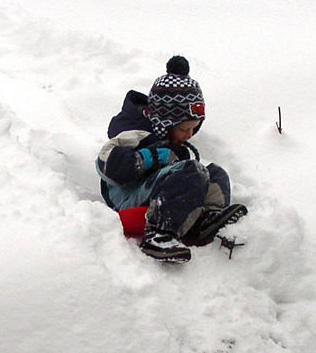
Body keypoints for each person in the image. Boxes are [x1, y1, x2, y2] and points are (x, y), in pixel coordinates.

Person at [96, 55, 247, 262]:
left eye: (194, 128)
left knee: (215, 173)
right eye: (184, 128)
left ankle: (205, 218)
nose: (190, 135)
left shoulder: (175, 146)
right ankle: (158, 234)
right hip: (128, 200)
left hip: (157, 197)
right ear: (163, 123)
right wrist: (150, 157)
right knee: (191, 171)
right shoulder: (134, 134)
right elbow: (106, 163)